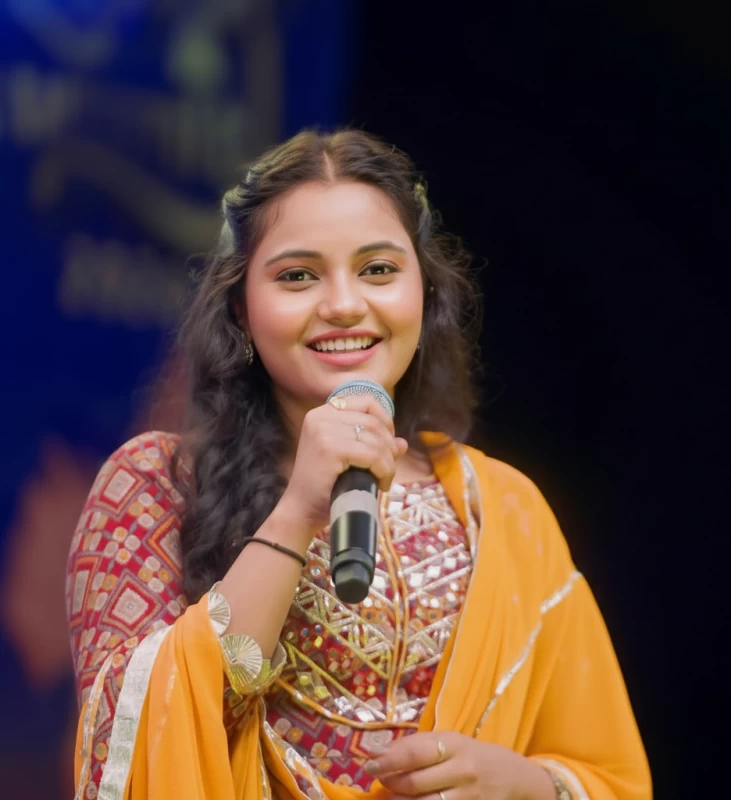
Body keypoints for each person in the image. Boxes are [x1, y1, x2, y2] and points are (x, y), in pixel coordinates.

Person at [66, 129, 651, 800]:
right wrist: (296, 513)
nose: (344, 305)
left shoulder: (502, 509)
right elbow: (134, 738)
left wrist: (524, 783)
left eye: (377, 270)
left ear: (424, 292)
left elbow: (610, 776)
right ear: (241, 310)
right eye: (297, 275)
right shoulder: (155, 484)